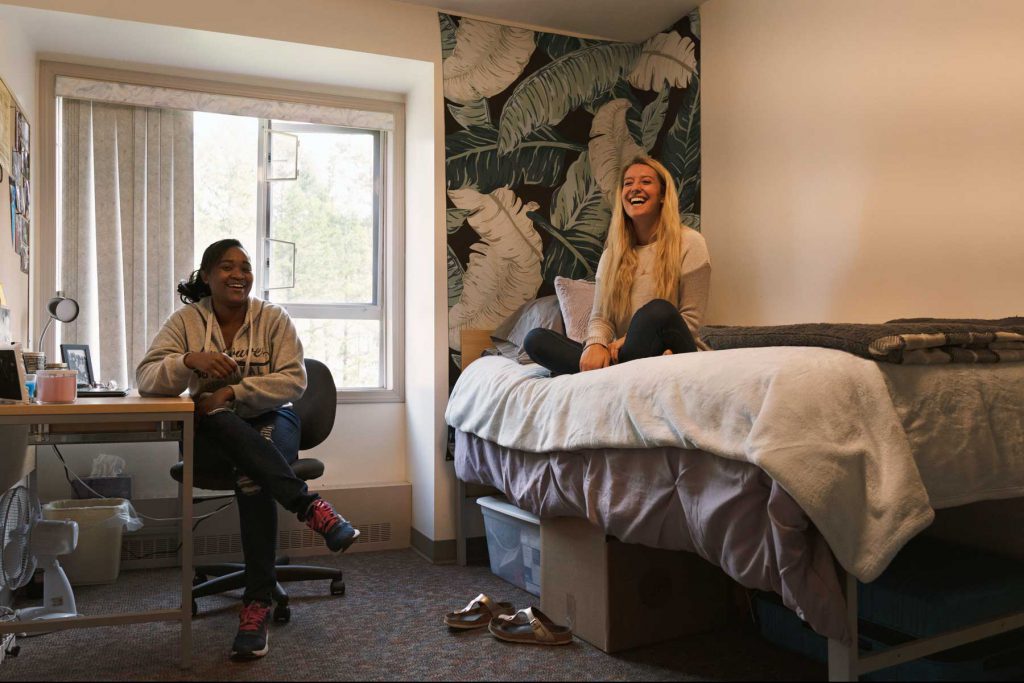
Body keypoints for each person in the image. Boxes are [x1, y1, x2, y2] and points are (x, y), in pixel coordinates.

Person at [136, 238, 359, 661]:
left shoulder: (274, 318)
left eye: (246, 266)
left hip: (275, 420)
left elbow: (294, 380)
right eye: (227, 267)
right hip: (213, 433)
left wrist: (233, 393)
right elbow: (146, 376)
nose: (239, 274)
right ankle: (310, 507)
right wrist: (188, 361)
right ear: (206, 276)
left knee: (251, 473)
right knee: (227, 431)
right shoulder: (186, 320)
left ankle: (255, 605)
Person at [524, 157, 710, 374]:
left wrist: (627, 340)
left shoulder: (690, 243)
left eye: (646, 182)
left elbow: (690, 321)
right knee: (536, 339)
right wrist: (596, 345)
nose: (635, 188)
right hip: (627, 353)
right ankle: (613, 371)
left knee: (658, 311)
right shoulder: (612, 256)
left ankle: (604, 373)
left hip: (675, 351)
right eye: (628, 183)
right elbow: (601, 317)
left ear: (662, 195)